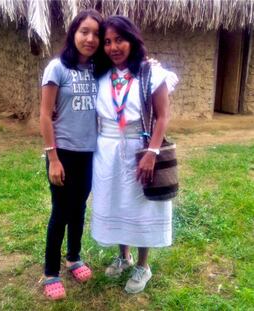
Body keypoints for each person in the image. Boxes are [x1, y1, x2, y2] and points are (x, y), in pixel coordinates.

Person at [91, 15, 178, 294]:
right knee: (118, 201)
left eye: (119, 40)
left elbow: (163, 117)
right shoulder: (101, 74)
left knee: (141, 205)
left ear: (132, 40)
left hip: (139, 148)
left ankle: (143, 265)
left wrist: (151, 153)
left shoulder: (152, 73)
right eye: (107, 42)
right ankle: (123, 256)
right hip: (106, 149)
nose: (113, 47)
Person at [39, 9, 103, 300]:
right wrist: (52, 157)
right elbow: (44, 114)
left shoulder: (99, 70)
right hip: (62, 152)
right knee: (61, 211)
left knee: (79, 208)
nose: (90, 39)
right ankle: (51, 271)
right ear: (73, 33)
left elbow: (129, 66)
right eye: (84, 31)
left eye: (96, 34)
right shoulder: (57, 68)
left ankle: (73, 257)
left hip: (89, 153)